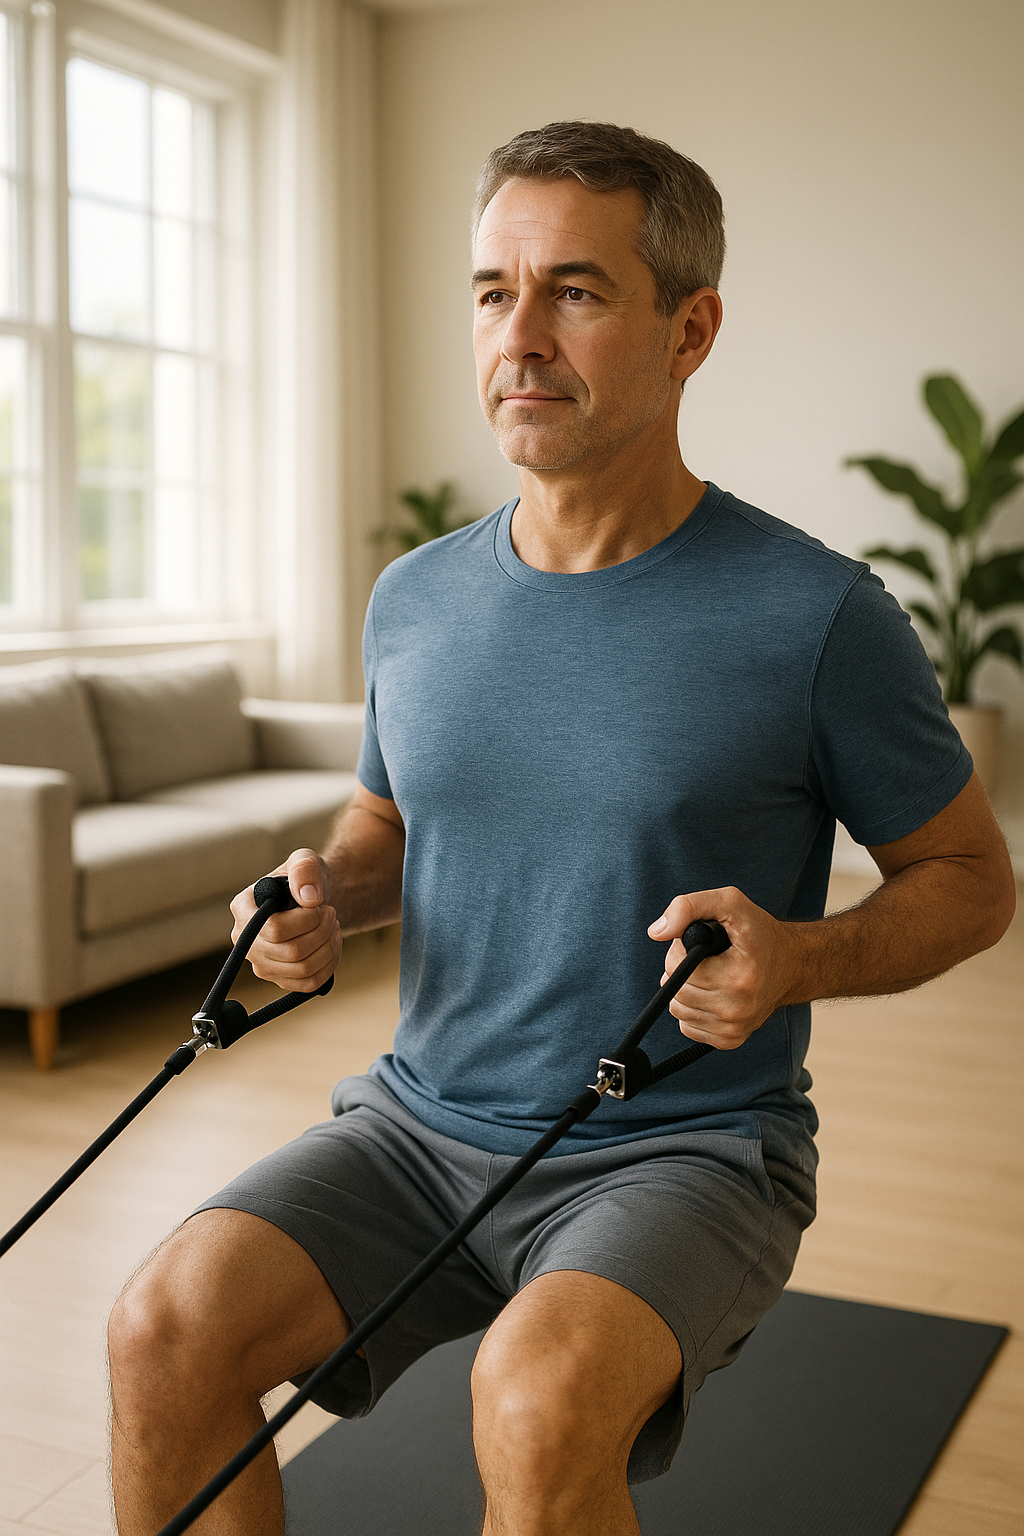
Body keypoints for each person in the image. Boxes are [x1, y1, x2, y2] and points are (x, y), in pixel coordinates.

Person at [107, 122, 1015, 1536]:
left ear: (690, 328)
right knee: (163, 1325)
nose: (519, 336)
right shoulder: (415, 597)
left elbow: (970, 880)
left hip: (687, 1150)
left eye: (576, 292)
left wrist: (794, 962)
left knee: (534, 1404)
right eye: (492, 291)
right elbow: (383, 822)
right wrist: (319, 901)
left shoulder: (822, 617)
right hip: (413, 1126)